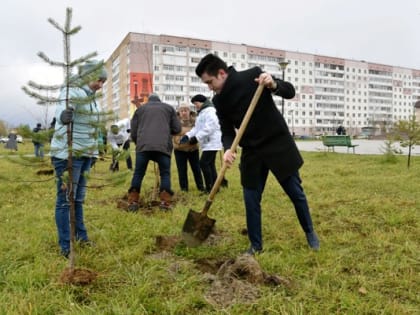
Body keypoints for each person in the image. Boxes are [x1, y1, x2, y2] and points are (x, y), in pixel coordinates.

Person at [195, 53, 320, 254]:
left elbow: (289, 92)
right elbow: (227, 130)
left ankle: (310, 233)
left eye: (210, 82)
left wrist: (273, 84)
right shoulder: (219, 101)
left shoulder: (252, 77)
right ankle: (255, 245)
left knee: (296, 193)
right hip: (252, 151)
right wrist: (228, 148)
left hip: (276, 144)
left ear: (221, 73)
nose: (209, 88)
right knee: (251, 198)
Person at [50, 60, 107, 258]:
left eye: (103, 81)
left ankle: (81, 237)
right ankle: (66, 246)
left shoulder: (92, 99)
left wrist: (94, 153)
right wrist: (64, 115)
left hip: (85, 155)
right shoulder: (72, 91)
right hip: (68, 154)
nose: (101, 84)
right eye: (99, 79)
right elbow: (62, 110)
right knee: (66, 200)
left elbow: (94, 127)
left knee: (79, 199)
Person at [127, 93, 181, 211]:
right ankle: (165, 203)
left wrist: (139, 143)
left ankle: (133, 202)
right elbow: (177, 129)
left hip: (143, 147)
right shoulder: (169, 108)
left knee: (138, 173)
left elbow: (134, 132)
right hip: (163, 147)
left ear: (149, 100)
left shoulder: (140, 110)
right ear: (159, 100)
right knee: (165, 174)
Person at [180, 94, 222, 193]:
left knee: (203, 163)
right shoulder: (202, 113)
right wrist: (188, 135)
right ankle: (215, 187)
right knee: (210, 164)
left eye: (196, 103)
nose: (196, 106)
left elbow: (209, 128)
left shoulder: (211, 111)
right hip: (207, 143)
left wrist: (196, 138)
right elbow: (197, 128)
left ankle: (209, 188)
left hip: (212, 142)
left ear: (202, 102)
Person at [172, 103, 205, 192]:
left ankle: (201, 187)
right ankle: (184, 189)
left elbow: (200, 131)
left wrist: (193, 136)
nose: (184, 112)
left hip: (193, 149)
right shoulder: (175, 121)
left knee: (196, 169)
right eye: (182, 111)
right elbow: (172, 132)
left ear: (189, 111)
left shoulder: (196, 120)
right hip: (179, 149)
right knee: (182, 170)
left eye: (186, 110)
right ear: (179, 112)